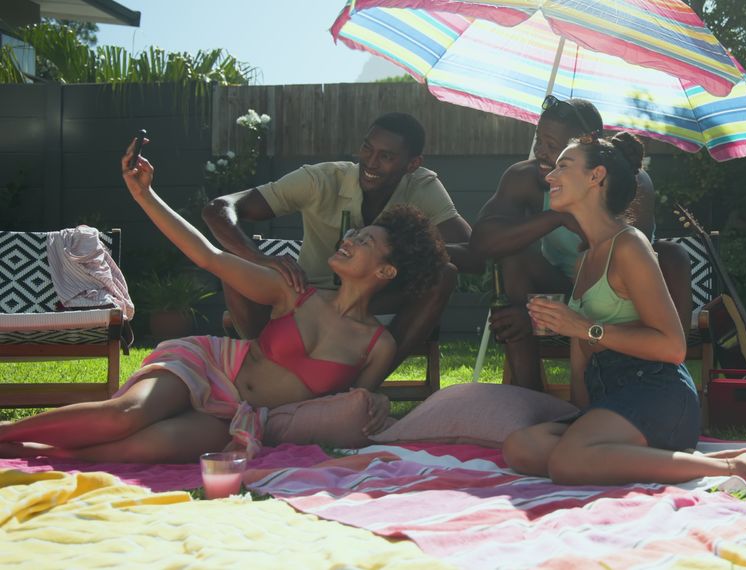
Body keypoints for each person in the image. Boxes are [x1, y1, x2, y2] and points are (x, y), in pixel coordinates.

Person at [0, 140, 447, 464]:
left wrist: (380, 405)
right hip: (210, 366)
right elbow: (208, 255)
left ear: (385, 272)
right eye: (354, 233)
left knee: (133, 450)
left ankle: (23, 451)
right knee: (126, 416)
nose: (349, 239)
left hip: (236, 418)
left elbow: (356, 407)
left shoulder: (378, 345)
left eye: (364, 240)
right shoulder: (294, 291)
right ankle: (6, 434)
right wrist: (144, 195)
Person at [501, 132, 746, 485]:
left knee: (567, 462)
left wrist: (586, 328)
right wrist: (583, 415)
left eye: (563, 167)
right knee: (521, 447)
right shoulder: (585, 259)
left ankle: (732, 468)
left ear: (595, 176)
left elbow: (673, 347)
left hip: (655, 392)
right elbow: (581, 355)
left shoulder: (630, 245)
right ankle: (653, 459)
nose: (550, 177)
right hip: (611, 397)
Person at [203, 112, 478, 381]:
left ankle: (363, 385)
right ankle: (264, 372)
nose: (370, 162)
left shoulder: (422, 186)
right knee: (235, 265)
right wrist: (258, 258)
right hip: (304, 297)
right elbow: (219, 208)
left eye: (386, 156)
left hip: (373, 301)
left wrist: (406, 250)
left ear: (412, 163)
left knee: (445, 274)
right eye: (367, 149)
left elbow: (474, 257)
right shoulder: (320, 180)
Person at [469, 96, 691, 391]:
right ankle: (529, 394)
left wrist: (544, 316)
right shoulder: (525, 177)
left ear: (588, 148)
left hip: (622, 290)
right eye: (538, 141)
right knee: (514, 259)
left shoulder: (631, 184)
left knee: (674, 256)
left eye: (553, 146)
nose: (541, 153)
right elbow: (481, 244)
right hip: (563, 282)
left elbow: (621, 270)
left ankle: (671, 374)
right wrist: (554, 218)